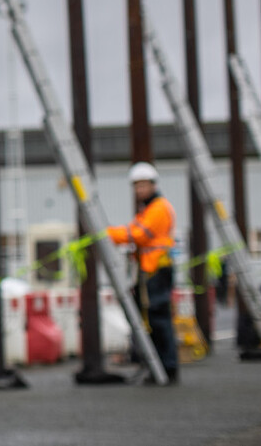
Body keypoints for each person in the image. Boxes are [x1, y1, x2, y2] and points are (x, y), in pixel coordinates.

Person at [106, 162, 179, 384]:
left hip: (155, 268)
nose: (139, 190)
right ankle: (158, 365)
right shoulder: (148, 209)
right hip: (149, 268)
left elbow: (139, 234)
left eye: (143, 185)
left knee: (157, 318)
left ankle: (166, 366)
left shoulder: (158, 208)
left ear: (153, 185)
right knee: (151, 318)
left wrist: (106, 233)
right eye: (136, 186)